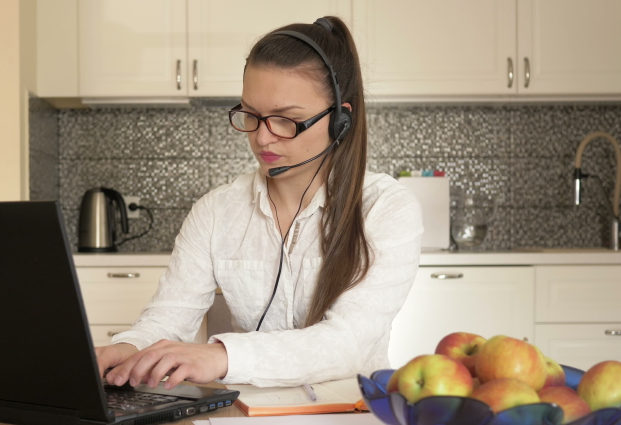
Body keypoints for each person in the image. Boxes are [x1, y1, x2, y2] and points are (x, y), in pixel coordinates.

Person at [96, 16, 423, 389]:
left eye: (286, 120)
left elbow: (347, 342)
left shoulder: (386, 209)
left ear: (340, 121)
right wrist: (130, 347)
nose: (263, 139)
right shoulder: (216, 211)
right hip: (248, 416)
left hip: (353, 418)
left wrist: (221, 356)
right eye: (251, 115)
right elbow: (169, 320)